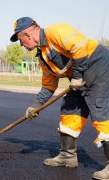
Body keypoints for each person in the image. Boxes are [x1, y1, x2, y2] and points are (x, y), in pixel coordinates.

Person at [10, 17, 109, 179]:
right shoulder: (43, 56)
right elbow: (49, 85)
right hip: (80, 79)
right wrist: (35, 105)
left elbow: (80, 47)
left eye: (20, 40)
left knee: (101, 114)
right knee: (69, 111)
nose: (21, 44)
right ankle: (67, 156)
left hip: (100, 70)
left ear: (27, 34)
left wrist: (77, 76)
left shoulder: (55, 32)